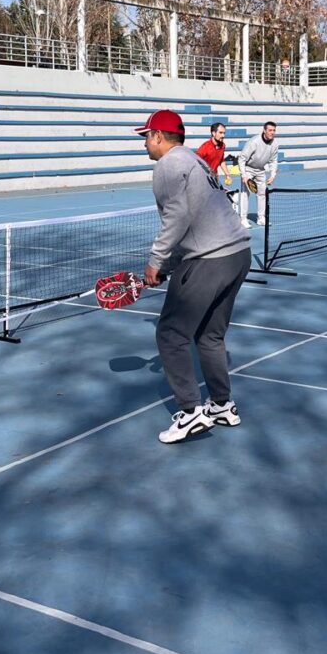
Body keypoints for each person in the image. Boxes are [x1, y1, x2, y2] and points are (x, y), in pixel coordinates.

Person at [136, 109, 252, 444]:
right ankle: (220, 404)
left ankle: (190, 413)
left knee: (171, 335)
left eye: (146, 136)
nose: (145, 143)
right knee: (209, 336)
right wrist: (171, 266)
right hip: (237, 253)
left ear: (159, 136)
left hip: (210, 258)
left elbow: (177, 216)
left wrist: (156, 262)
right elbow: (195, 216)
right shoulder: (194, 160)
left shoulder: (168, 165)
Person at [238, 121, 279, 228]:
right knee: (245, 193)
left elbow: (273, 161)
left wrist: (273, 175)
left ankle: (261, 218)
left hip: (261, 170)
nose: (272, 132)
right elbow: (242, 158)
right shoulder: (254, 141)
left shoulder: (275, 144)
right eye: (270, 130)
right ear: (264, 130)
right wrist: (244, 175)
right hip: (248, 169)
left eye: (274, 130)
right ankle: (243, 219)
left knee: (262, 194)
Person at [196, 122, 231, 187]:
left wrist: (227, 174)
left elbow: (221, 160)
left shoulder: (222, 145)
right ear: (213, 133)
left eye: (224, 133)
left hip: (214, 178)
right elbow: (196, 163)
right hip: (203, 180)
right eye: (220, 133)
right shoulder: (205, 147)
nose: (223, 136)